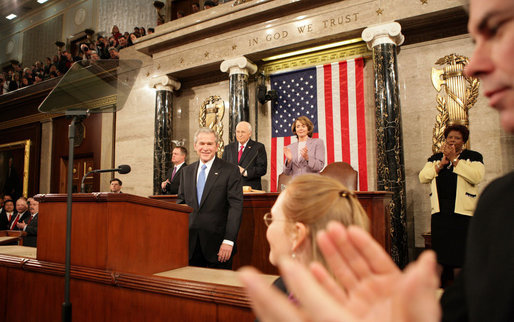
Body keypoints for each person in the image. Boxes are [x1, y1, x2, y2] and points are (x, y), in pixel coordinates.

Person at [238, 0, 514, 321]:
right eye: (475, 40)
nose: (473, 66)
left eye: (497, 28)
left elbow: (318, 169)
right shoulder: (501, 205)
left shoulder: (316, 144)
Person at [264, 174, 369, 295]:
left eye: (272, 218)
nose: (268, 228)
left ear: (296, 234)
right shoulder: (283, 287)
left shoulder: (281, 297)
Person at [419, 124, 484, 280]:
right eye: (450, 137)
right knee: (439, 256)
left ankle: (460, 293)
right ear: (445, 139)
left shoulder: (473, 156)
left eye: (457, 138)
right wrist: (441, 164)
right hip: (441, 213)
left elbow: (476, 177)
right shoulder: (435, 158)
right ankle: (438, 293)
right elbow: (423, 177)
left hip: (462, 214)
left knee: (459, 257)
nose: (453, 140)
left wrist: (455, 160)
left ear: (464, 141)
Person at [177, 128, 243, 269]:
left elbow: (235, 208)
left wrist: (229, 240)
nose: (205, 148)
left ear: (216, 146)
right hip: (190, 246)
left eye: (210, 144)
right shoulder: (186, 172)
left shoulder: (230, 170)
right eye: (202, 144)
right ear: (195, 146)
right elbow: (181, 205)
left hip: (219, 246)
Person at [222, 121, 267, 190]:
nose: (240, 135)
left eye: (243, 132)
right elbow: (223, 168)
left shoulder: (258, 147)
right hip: (232, 189)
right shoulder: (228, 148)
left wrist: (245, 172)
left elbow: (262, 169)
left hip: (251, 190)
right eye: (238, 132)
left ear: (249, 134)